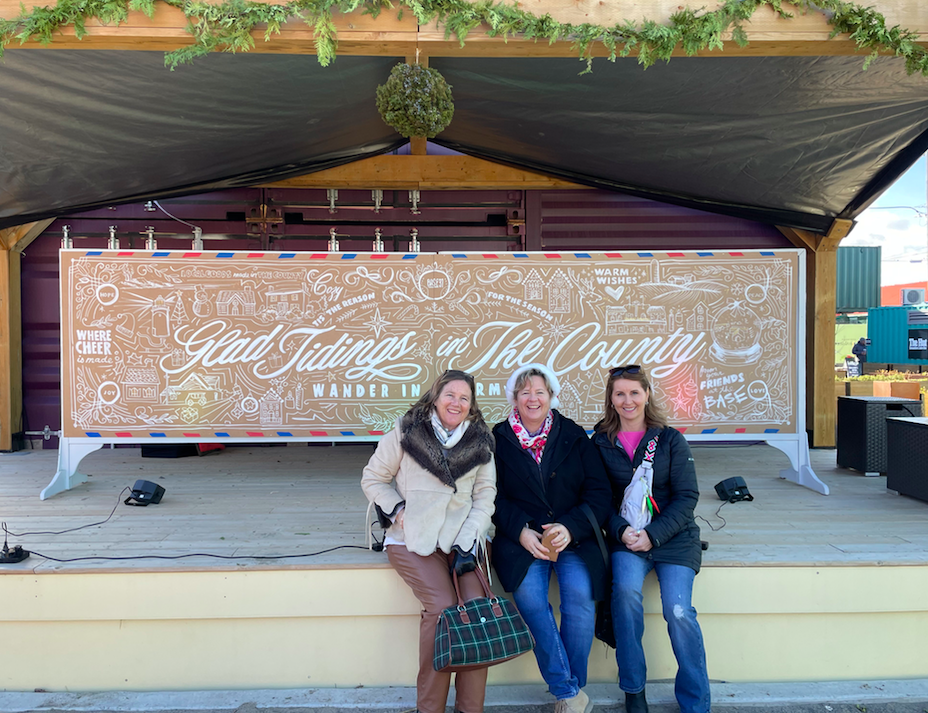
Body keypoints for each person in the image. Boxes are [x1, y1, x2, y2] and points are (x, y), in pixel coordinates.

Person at [361, 370, 497, 713]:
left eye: (464, 398)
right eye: (450, 395)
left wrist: (469, 540)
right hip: (412, 540)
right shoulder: (406, 431)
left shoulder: (481, 441)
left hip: (462, 542)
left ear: (471, 405)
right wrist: (397, 510)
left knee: (476, 615)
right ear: (435, 397)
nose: (457, 402)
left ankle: (470, 708)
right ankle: (430, 708)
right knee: (442, 609)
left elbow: (485, 496)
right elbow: (373, 478)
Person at [491, 364, 612, 713]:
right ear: (514, 398)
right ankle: (569, 692)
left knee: (579, 598)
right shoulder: (497, 439)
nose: (533, 398)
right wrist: (520, 530)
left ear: (551, 396)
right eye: (525, 392)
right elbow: (490, 496)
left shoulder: (573, 435)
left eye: (539, 391)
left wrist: (571, 527)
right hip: (523, 541)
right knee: (529, 598)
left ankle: (570, 692)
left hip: (571, 538)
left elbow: (599, 493)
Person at [592, 366, 710, 713]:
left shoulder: (670, 439)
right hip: (626, 537)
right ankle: (634, 689)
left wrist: (653, 536)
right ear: (611, 400)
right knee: (626, 596)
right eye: (620, 394)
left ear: (646, 395)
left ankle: (696, 700)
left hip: (672, 538)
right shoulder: (600, 442)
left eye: (634, 393)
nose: (627, 400)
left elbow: (687, 496)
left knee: (679, 612)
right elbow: (597, 499)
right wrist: (621, 530)